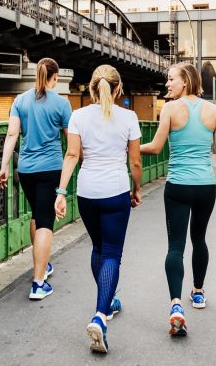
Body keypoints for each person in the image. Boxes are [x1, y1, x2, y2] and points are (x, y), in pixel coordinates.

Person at [140, 62, 216, 337]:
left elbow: (156, 147)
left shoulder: (169, 110)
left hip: (178, 186)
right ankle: (199, 292)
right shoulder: (214, 111)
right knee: (200, 239)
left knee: (175, 247)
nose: (167, 84)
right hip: (205, 185)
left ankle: (176, 306)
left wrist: (130, 145)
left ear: (185, 81)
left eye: (171, 80)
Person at [55, 64, 143, 354]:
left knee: (98, 248)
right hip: (116, 191)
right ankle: (100, 315)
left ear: (91, 89)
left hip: (87, 193)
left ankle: (108, 301)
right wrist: (136, 187)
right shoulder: (129, 117)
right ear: (117, 90)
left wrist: (60, 191)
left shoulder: (78, 116)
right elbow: (135, 163)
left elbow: (71, 154)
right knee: (113, 254)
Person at [0, 58, 72, 300]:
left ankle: (42, 265)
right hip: (51, 168)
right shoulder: (62, 104)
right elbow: (72, 142)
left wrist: (4, 165)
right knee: (46, 222)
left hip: (26, 169)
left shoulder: (20, 100)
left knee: (37, 215)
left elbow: (11, 134)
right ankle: (38, 283)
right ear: (55, 77)